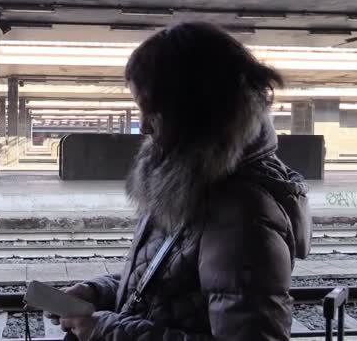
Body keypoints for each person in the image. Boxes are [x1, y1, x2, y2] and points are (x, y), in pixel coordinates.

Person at [53, 22, 311, 340]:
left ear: (196, 112)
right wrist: (99, 291)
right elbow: (170, 278)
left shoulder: (242, 216)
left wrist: (108, 331)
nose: (144, 126)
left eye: (153, 111)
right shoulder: (191, 179)